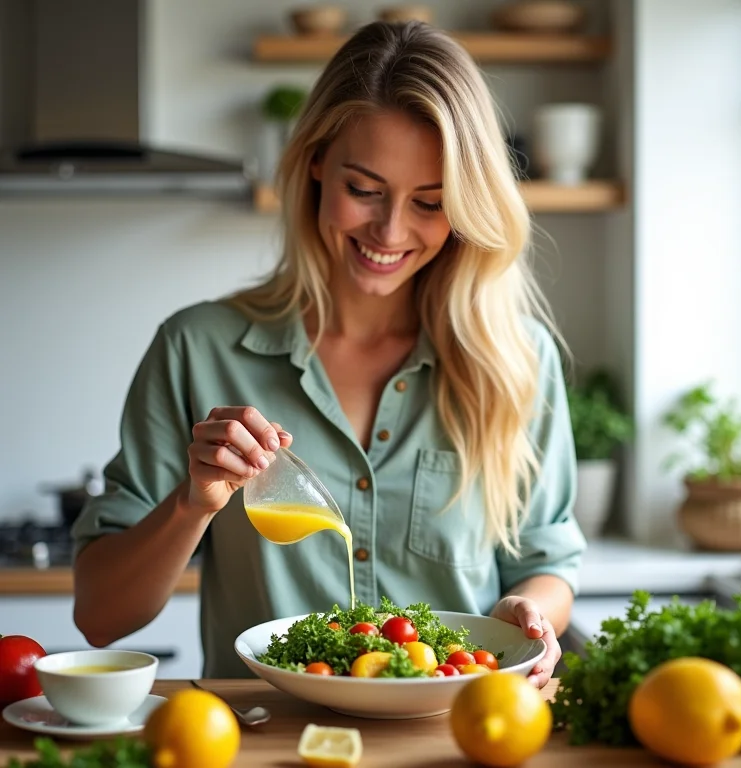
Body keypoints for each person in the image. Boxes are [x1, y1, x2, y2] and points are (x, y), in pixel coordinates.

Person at [72, 20, 586, 685]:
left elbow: (548, 562)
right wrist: (193, 503)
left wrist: (530, 612)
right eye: (364, 190)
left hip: (457, 740)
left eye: (430, 203)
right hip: (265, 742)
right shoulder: (196, 349)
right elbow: (99, 618)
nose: (391, 231)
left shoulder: (517, 359)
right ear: (316, 162)